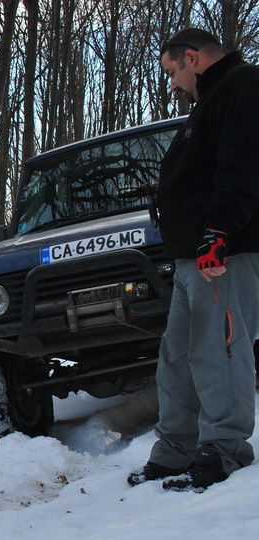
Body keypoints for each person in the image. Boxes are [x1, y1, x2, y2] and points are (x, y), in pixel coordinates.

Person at [128, 28, 259, 490]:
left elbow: (242, 164)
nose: (171, 83)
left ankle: (223, 450)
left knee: (218, 350)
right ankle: (176, 449)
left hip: (224, 251)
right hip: (191, 254)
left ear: (191, 57)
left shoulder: (242, 86)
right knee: (178, 355)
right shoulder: (212, 100)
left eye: (171, 72)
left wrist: (218, 231)